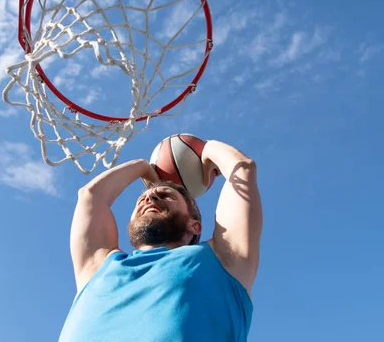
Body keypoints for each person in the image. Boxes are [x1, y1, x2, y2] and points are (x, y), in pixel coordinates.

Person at [58, 140, 263, 341]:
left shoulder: (223, 260)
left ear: (195, 225)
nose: (150, 197)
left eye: (166, 195)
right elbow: (90, 195)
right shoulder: (98, 266)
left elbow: (242, 168)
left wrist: (205, 149)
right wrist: (143, 167)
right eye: (142, 199)